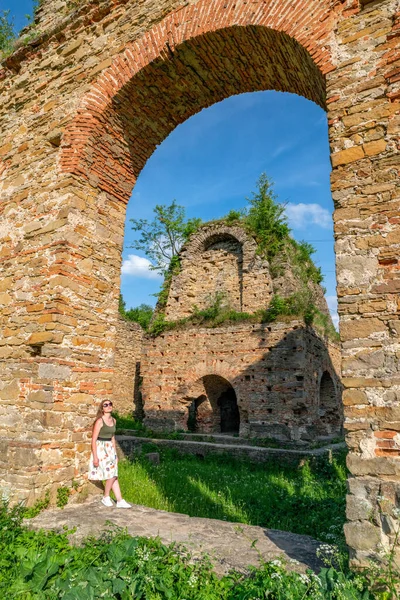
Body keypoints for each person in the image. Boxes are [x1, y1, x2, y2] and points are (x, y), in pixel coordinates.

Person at [88, 400, 131, 508]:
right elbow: (93, 440)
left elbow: (112, 437)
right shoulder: (99, 421)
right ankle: (106, 496)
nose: (108, 406)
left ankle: (119, 500)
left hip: (110, 448)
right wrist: (95, 457)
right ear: (102, 408)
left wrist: (115, 454)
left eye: (110, 404)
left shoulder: (114, 420)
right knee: (111, 475)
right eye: (105, 405)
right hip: (101, 448)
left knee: (114, 474)